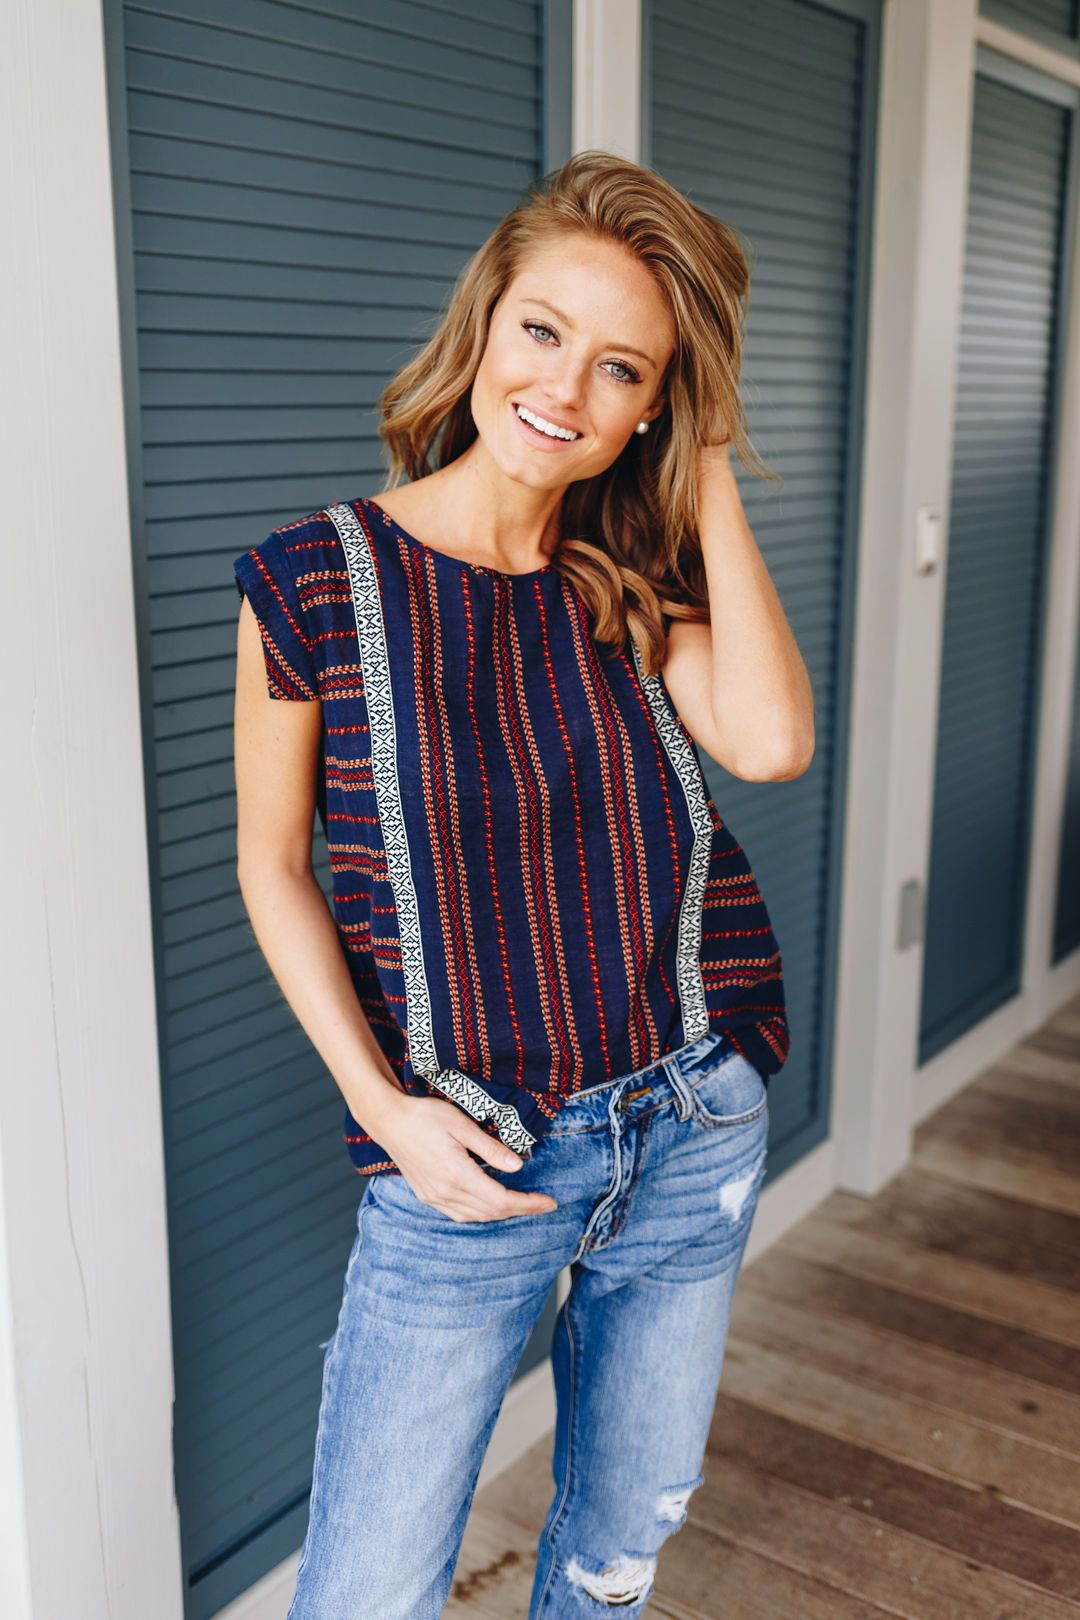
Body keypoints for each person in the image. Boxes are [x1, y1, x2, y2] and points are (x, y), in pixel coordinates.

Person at [232, 149, 813, 1619]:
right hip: (470, 1161)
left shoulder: (627, 588)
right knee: (366, 1594)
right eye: (545, 332)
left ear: (654, 408)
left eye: (626, 370)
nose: (568, 388)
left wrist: (707, 467)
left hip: (689, 1126)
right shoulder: (315, 578)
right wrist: (383, 1112)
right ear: (485, 321)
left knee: (614, 1560)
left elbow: (772, 740)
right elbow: (274, 865)